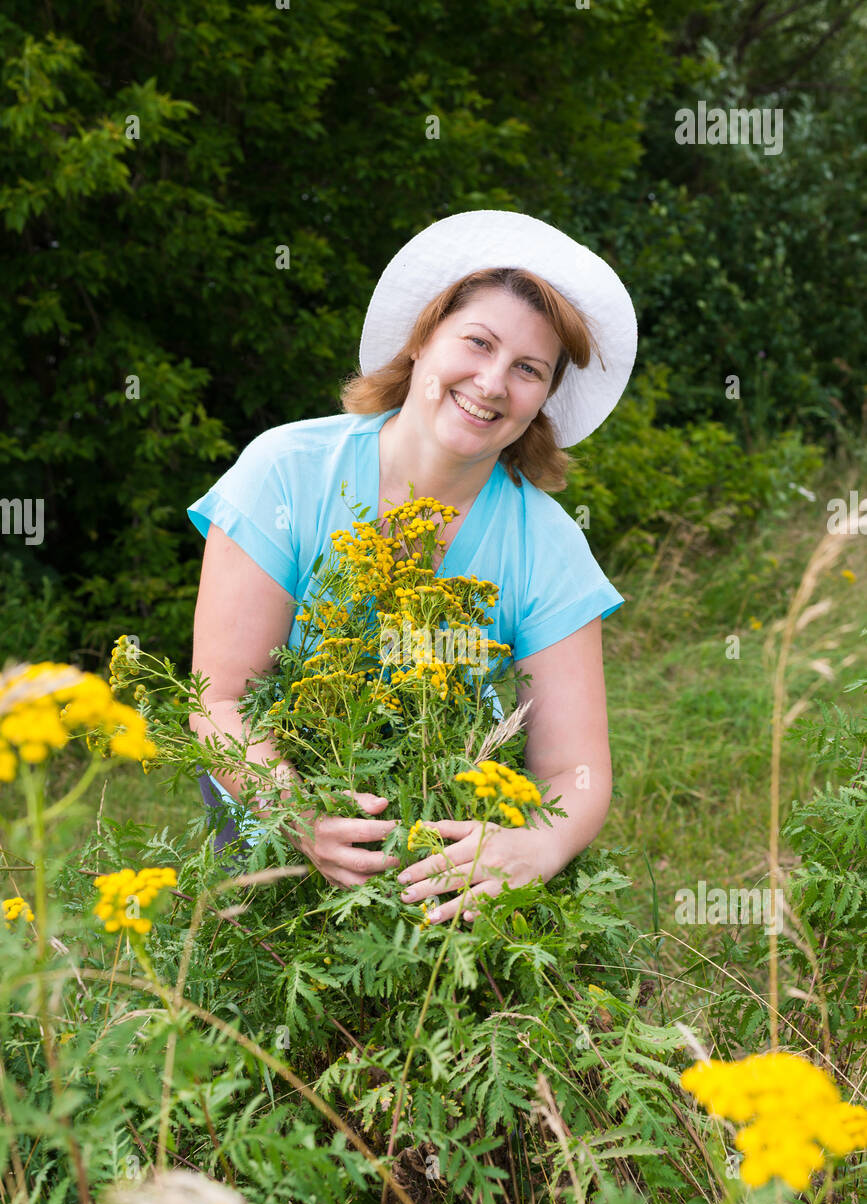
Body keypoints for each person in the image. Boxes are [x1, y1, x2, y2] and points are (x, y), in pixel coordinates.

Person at [186, 209, 637, 923]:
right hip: (271, 809)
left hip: (444, 829)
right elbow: (221, 703)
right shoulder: (285, 472)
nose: (491, 383)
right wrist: (297, 812)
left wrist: (533, 850)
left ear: (542, 401)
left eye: (527, 370)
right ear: (423, 339)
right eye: (477, 343)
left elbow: (571, 775)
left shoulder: (547, 546)